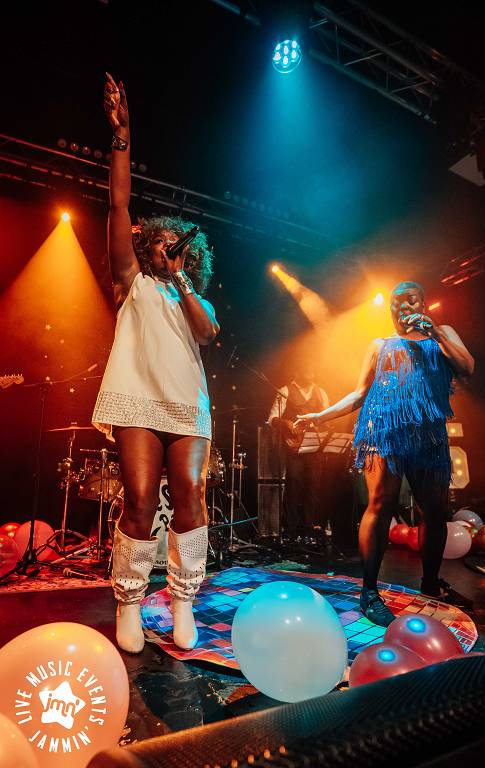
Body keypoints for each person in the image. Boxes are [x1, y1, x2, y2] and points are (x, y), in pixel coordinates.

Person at [92, 73, 220, 653]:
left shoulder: (193, 295)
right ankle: (129, 599)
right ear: (148, 245)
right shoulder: (131, 280)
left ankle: (182, 599)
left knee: (190, 493)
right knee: (141, 498)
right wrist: (122, 135)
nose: (167, 246)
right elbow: (119, 203)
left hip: (186, 402)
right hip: (137, 398)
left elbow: (207, 333)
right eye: (161, 241)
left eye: (177, 244)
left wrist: (182, 280)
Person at [295, 282, 474, 626]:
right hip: (383, 430)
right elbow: (359, 394)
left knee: (435, 511)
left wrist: (434, 331)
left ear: (423, 304)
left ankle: (430, 585)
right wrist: (319, 416)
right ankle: (369, 593)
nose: (403, 307)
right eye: (396, 303)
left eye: (411, 300)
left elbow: (467, 367)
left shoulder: (443, 335)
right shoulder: (380, 345)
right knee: (380, 505)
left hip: (428, 435)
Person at [268, 361, 329, 540]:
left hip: (315, 448)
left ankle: (308, 530)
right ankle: (291, 531)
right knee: (293, 486)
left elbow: (327, 418)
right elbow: (271, 419)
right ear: (298, 371)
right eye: (306, 369)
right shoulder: (285, 390)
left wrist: (320, 425)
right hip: (294, 448)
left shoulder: (321, 392)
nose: (310, 372)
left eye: (312, 369)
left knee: (313, 488)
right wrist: (286, 423)